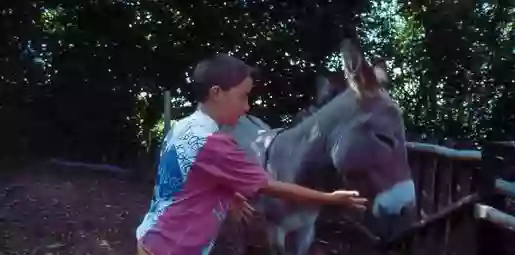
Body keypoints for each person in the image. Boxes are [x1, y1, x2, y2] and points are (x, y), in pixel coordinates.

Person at [135, 53, 368, 255]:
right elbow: (270, 186)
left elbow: (191, 174)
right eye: (243, 96)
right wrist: (330, 198)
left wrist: (230, 194)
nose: (247, 107)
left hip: (152, 235)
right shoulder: (215, 144)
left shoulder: (184, 126)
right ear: (216, 93)